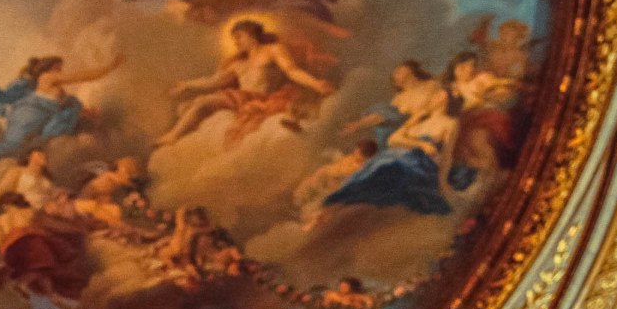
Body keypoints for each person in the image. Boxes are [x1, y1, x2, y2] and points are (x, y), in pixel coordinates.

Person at [159, 17, 335, 148]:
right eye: (234, 38)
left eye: (239, 37)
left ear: (251, 35)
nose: (236, 42)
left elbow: (292, 71)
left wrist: (316, 84)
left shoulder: (272, 50)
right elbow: (214, 81)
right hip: (241, 99)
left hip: (265, 100)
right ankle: (173, 136)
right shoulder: (238, 63)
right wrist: (188, 85)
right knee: (200, 102)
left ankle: (174, 136)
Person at [324, 61, 456, 216]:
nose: (396, 73)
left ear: (411, 69)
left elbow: (449, 98)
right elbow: (386, 116)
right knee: (372, 168)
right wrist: (359, 124)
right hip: (410, 132)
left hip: (432, 129)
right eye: (395, 73)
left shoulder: (432, 85)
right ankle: (338, 204)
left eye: (399, 70)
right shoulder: (399, 99)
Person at [0, 53, 124, 168]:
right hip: (30, 113)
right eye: (58, 68)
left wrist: (88, 113)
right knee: (12, 145)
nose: (60, 71)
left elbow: (68, 107)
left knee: (21, 148)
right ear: (50, 68)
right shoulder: (47, 77)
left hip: (40, 115)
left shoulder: (59, 90)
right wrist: (110, 67)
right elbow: (82, 76)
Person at [0, 192, 92, 305]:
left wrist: (5, 251)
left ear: (6, 205)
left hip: (13, 247)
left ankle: (49, 294)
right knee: (45, 263)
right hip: (30, 242)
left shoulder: (1, 219)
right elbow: (39, 227)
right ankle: (31, 286)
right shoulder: (28, 212)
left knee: (42, 267)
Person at [446, 50, 520, 191]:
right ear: (456, 68)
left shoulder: (480, 79)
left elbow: (504, 84)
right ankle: (476, 173)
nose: (469, 70)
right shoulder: (452, 88)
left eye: (471, 66)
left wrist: (502, 87)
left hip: (484, 112)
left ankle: (498, 167)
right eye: (464, 67)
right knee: (465, 145)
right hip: (466, 118)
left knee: (494, 122)